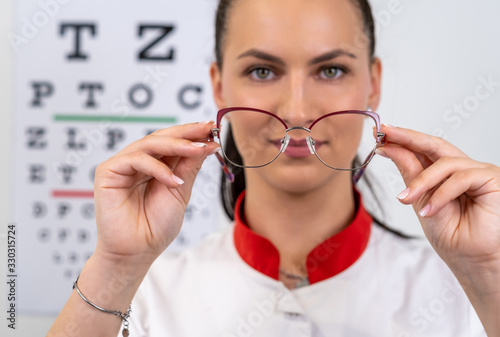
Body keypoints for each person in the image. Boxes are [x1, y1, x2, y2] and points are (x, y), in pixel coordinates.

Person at [48, 0, 500, 336]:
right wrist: (116, 267)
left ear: (373, 84)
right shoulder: (140, 299)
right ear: (219, 86)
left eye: (331, 71)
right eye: (263, 71)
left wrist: (490, 271)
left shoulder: (468, 294)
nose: (298, 111)